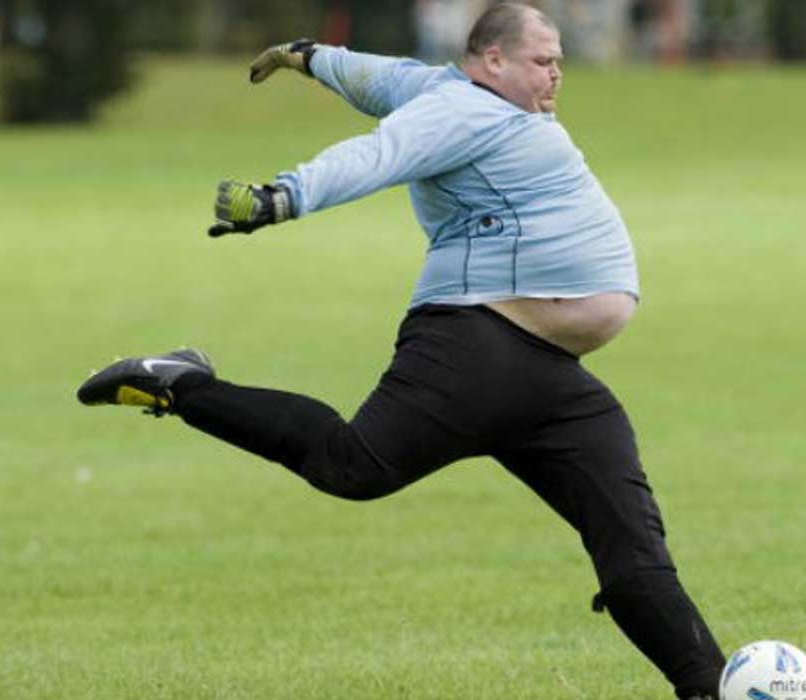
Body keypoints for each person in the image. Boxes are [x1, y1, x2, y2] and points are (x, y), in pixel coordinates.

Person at [76, 3, 725, 698]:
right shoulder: (463, 112)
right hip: (477, 347)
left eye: (558, 60)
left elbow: (384, 78)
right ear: (494, 60)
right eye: (543, 61)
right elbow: (378, 154)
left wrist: (312, 57)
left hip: (550, 379)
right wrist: (282, 197)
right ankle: (179, 384)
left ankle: (710, 686)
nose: (557, 74)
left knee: (634, 548)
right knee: (350, 465)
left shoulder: (450, 93)